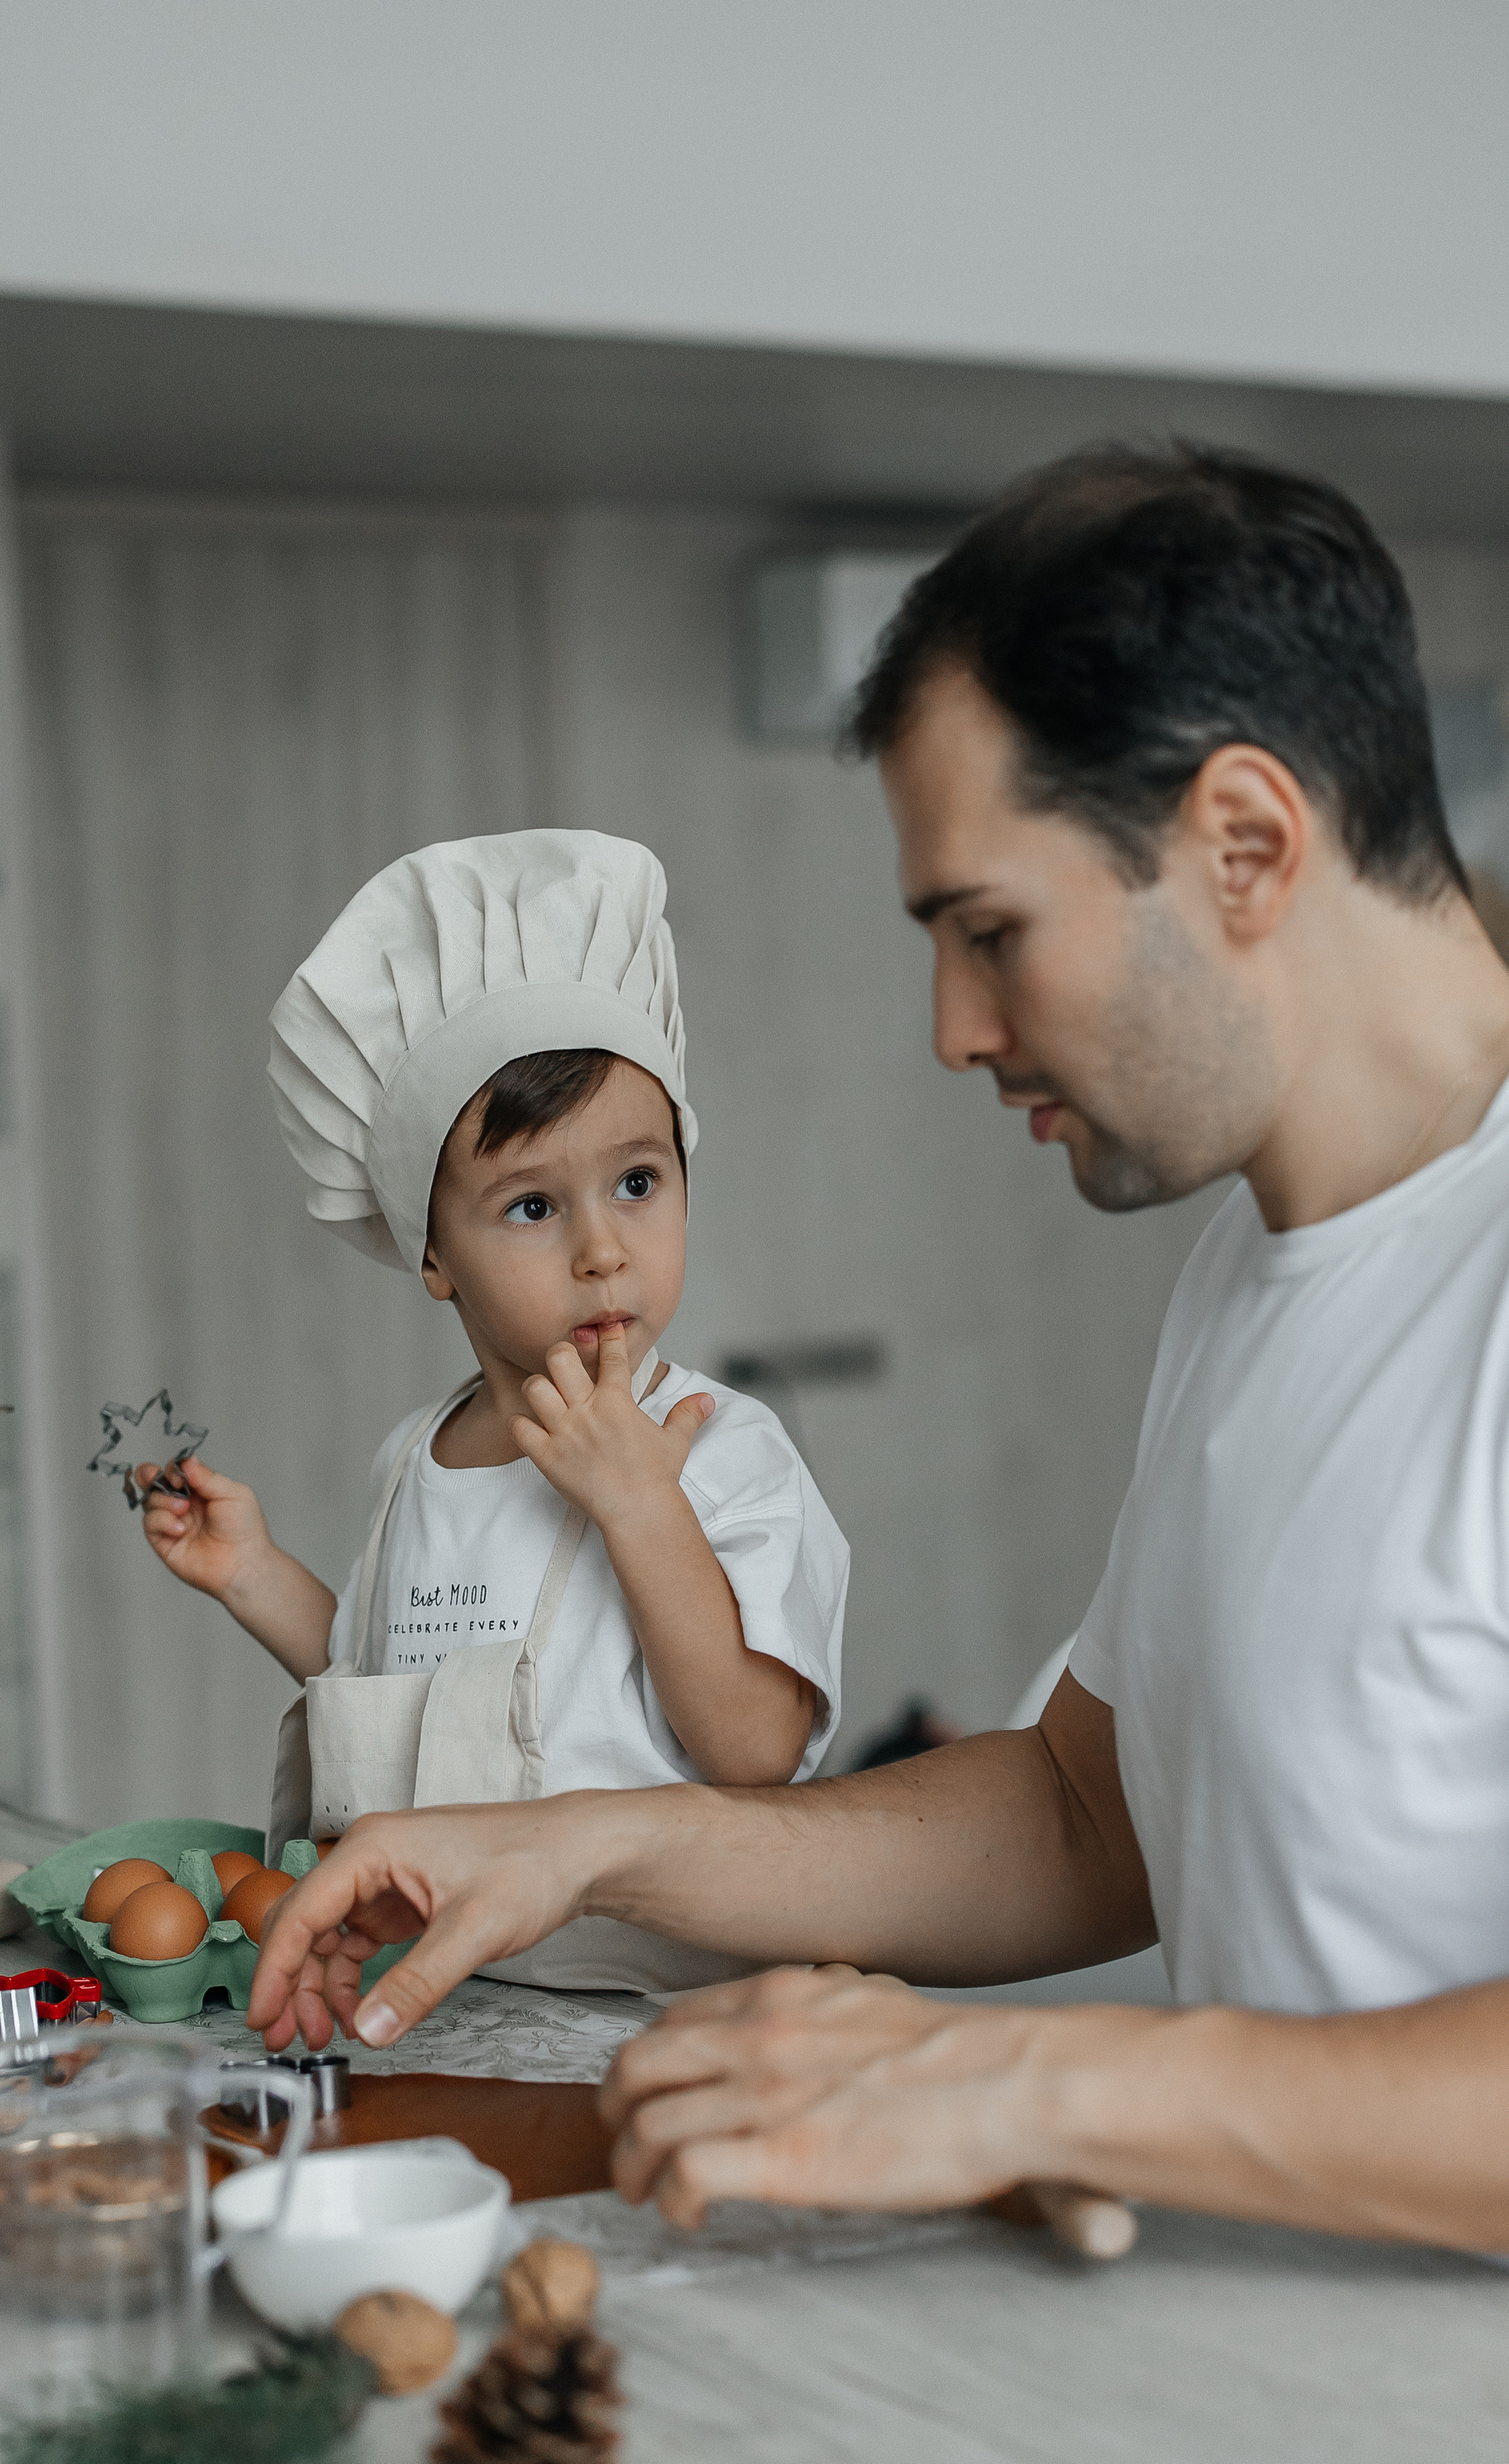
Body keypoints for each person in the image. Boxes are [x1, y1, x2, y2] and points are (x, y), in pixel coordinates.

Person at [246, 448, 1509, 2252]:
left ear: (1245, 841)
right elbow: (1091, 1810)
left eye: (987, 930)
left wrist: (1025, 2083)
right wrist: (594, 1845)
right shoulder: (1259, 1270)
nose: (953, 1029)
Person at [138, 830, 847, 1992]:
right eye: (530, 1206)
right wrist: (254, 1575)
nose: (603, 1250)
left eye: (637, 1181)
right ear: (433, 1256)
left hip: (669, 2001)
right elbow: (392, 1681)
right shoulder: (418, 1458)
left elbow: (760, 1752)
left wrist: (640, 1505)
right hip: (455, 1994)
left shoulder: (721, 1450)